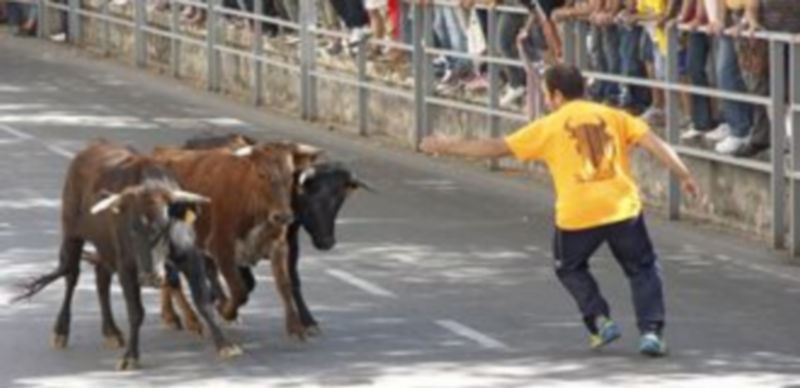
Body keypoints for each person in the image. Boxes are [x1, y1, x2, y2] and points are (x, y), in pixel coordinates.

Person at [420, 64, 700, 357]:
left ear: (555, 94)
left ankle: (599, 320)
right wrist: (684, 175)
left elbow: (495, 147)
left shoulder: (550, 125)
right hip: (621, 207)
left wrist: (445, 146)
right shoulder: (615, 116)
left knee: (569, 267)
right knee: (642, 268)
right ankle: (651, 333)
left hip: (578, 212)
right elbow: (655, 143)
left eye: (546, 94)